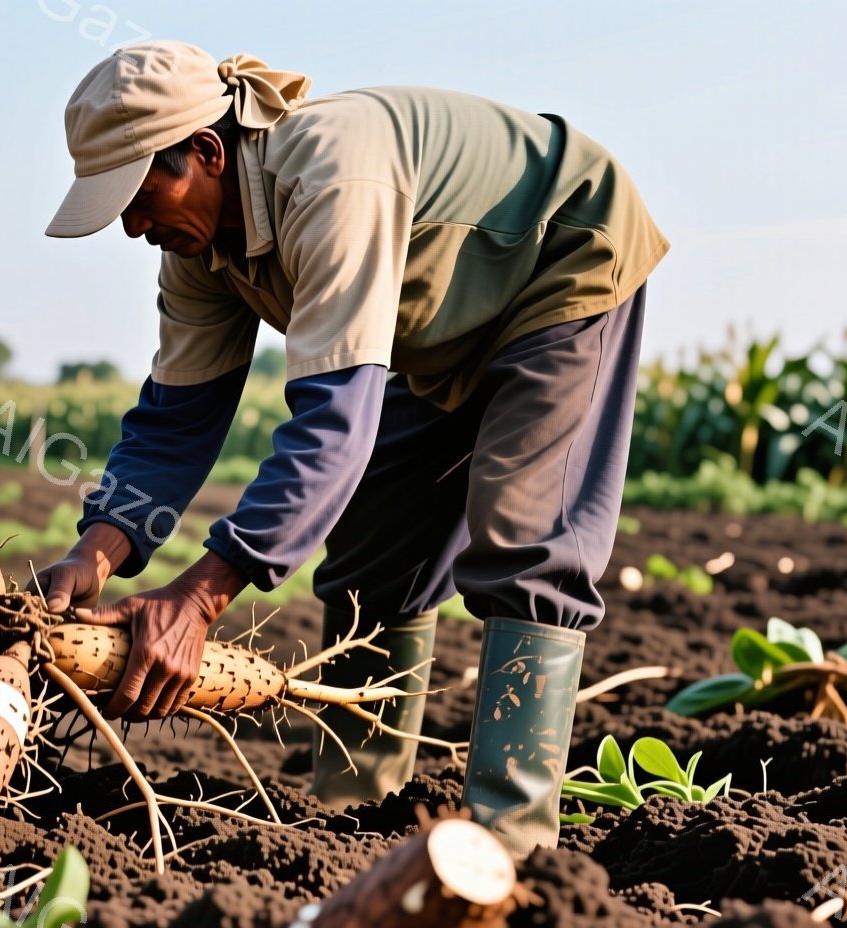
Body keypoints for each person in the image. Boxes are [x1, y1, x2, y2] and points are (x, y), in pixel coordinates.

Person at [34, 40, 667, 858]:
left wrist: (197, 599)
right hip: (441, 329)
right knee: (374, 550)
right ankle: (357, 808)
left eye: (138, 195)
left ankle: (510, 838)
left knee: (524, 536)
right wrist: (94, 552)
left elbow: (333, 426)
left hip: (562, 253)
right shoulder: (199, 251)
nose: (132, 226)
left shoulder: (329, 177)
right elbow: (176, 421)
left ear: (207, 153)